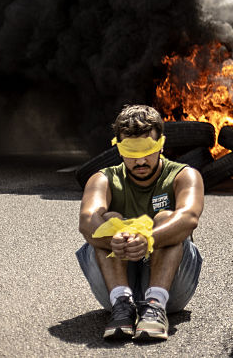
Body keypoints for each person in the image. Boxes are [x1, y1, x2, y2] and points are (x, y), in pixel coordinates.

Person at [77, 104, 205, 341]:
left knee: (168, 218)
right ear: (119, 148)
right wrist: (112, 238)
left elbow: (189, 217)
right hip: (113, 285)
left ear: (161, 145)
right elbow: (87, 221)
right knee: (109, 220)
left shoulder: (185, 175)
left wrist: (149, 239)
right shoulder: (102, 179)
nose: (141, 160)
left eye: (147, 150)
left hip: (173, 288)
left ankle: (155, 305)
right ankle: (122, 304)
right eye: (132, 152)